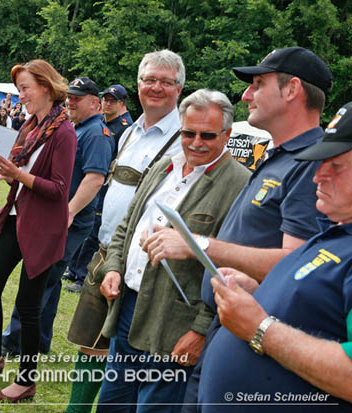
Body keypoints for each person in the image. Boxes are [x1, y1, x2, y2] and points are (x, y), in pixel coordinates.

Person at [144, 47, 333, 412]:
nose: (246, 95)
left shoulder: (311, 164)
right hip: (229, 326)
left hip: (258, 338)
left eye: (258, 84)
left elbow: (298, 265)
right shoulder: (281, 155)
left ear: (292, 89)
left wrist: (196, 243)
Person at [94, 89, 250, 412]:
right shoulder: (165, 164)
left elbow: (235, 269)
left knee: (154, 408)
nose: (195, 142)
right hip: (128, 308)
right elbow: (128, 223)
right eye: (187, 132)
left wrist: (201, 330)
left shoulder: (240, 184)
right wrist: (113, 267)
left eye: (207, 135)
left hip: (177, 322)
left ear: (228, 135)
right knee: (112, 404)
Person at [200, 103, 352, 411]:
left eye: (335, 166)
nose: (317, 176)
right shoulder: (334, 231)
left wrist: (260, 328)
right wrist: (259, 294)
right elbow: (316, 313)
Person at [64, 49, 185, 412]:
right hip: (106, 252)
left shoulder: (184, 138)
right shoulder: (129, 132)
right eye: (150, 80)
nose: (156, 88)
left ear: (180, 88)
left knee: (128, 356)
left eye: (166, 81)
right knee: (90, 341)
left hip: (145, 266)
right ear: (138, 84)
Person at [0, 59, 77, 403]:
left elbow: (59, 190)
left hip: (43, 228)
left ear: (46, 87)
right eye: (19, 90)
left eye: (26, 89)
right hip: (17, 218)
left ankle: (26, 381)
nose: (22, 96)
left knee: (28, 306)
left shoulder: (64, 131)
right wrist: (5, 173)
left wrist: (16, 176)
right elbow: (25, 169)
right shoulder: (31, 125)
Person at [0, 76, 112, 360]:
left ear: (95, 103)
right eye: (71, 96)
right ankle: (38, 340)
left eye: (79, 98)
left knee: (39, 282)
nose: (71, 101)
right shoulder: (68, 128)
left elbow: (93, 180)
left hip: (69, 219)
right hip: (45, 213)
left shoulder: (94, 133)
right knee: (48, 283)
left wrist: (68, 213)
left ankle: (13, 343)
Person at [64, 83, 133, 292]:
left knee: (94, 231)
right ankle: (75, 269)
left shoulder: (124, 127)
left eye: (113, 100)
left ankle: (82, 275)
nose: (108, 103)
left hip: (105, 185)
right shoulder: (97, 124)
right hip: (92, 184)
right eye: (106, 99)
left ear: (123, 104)